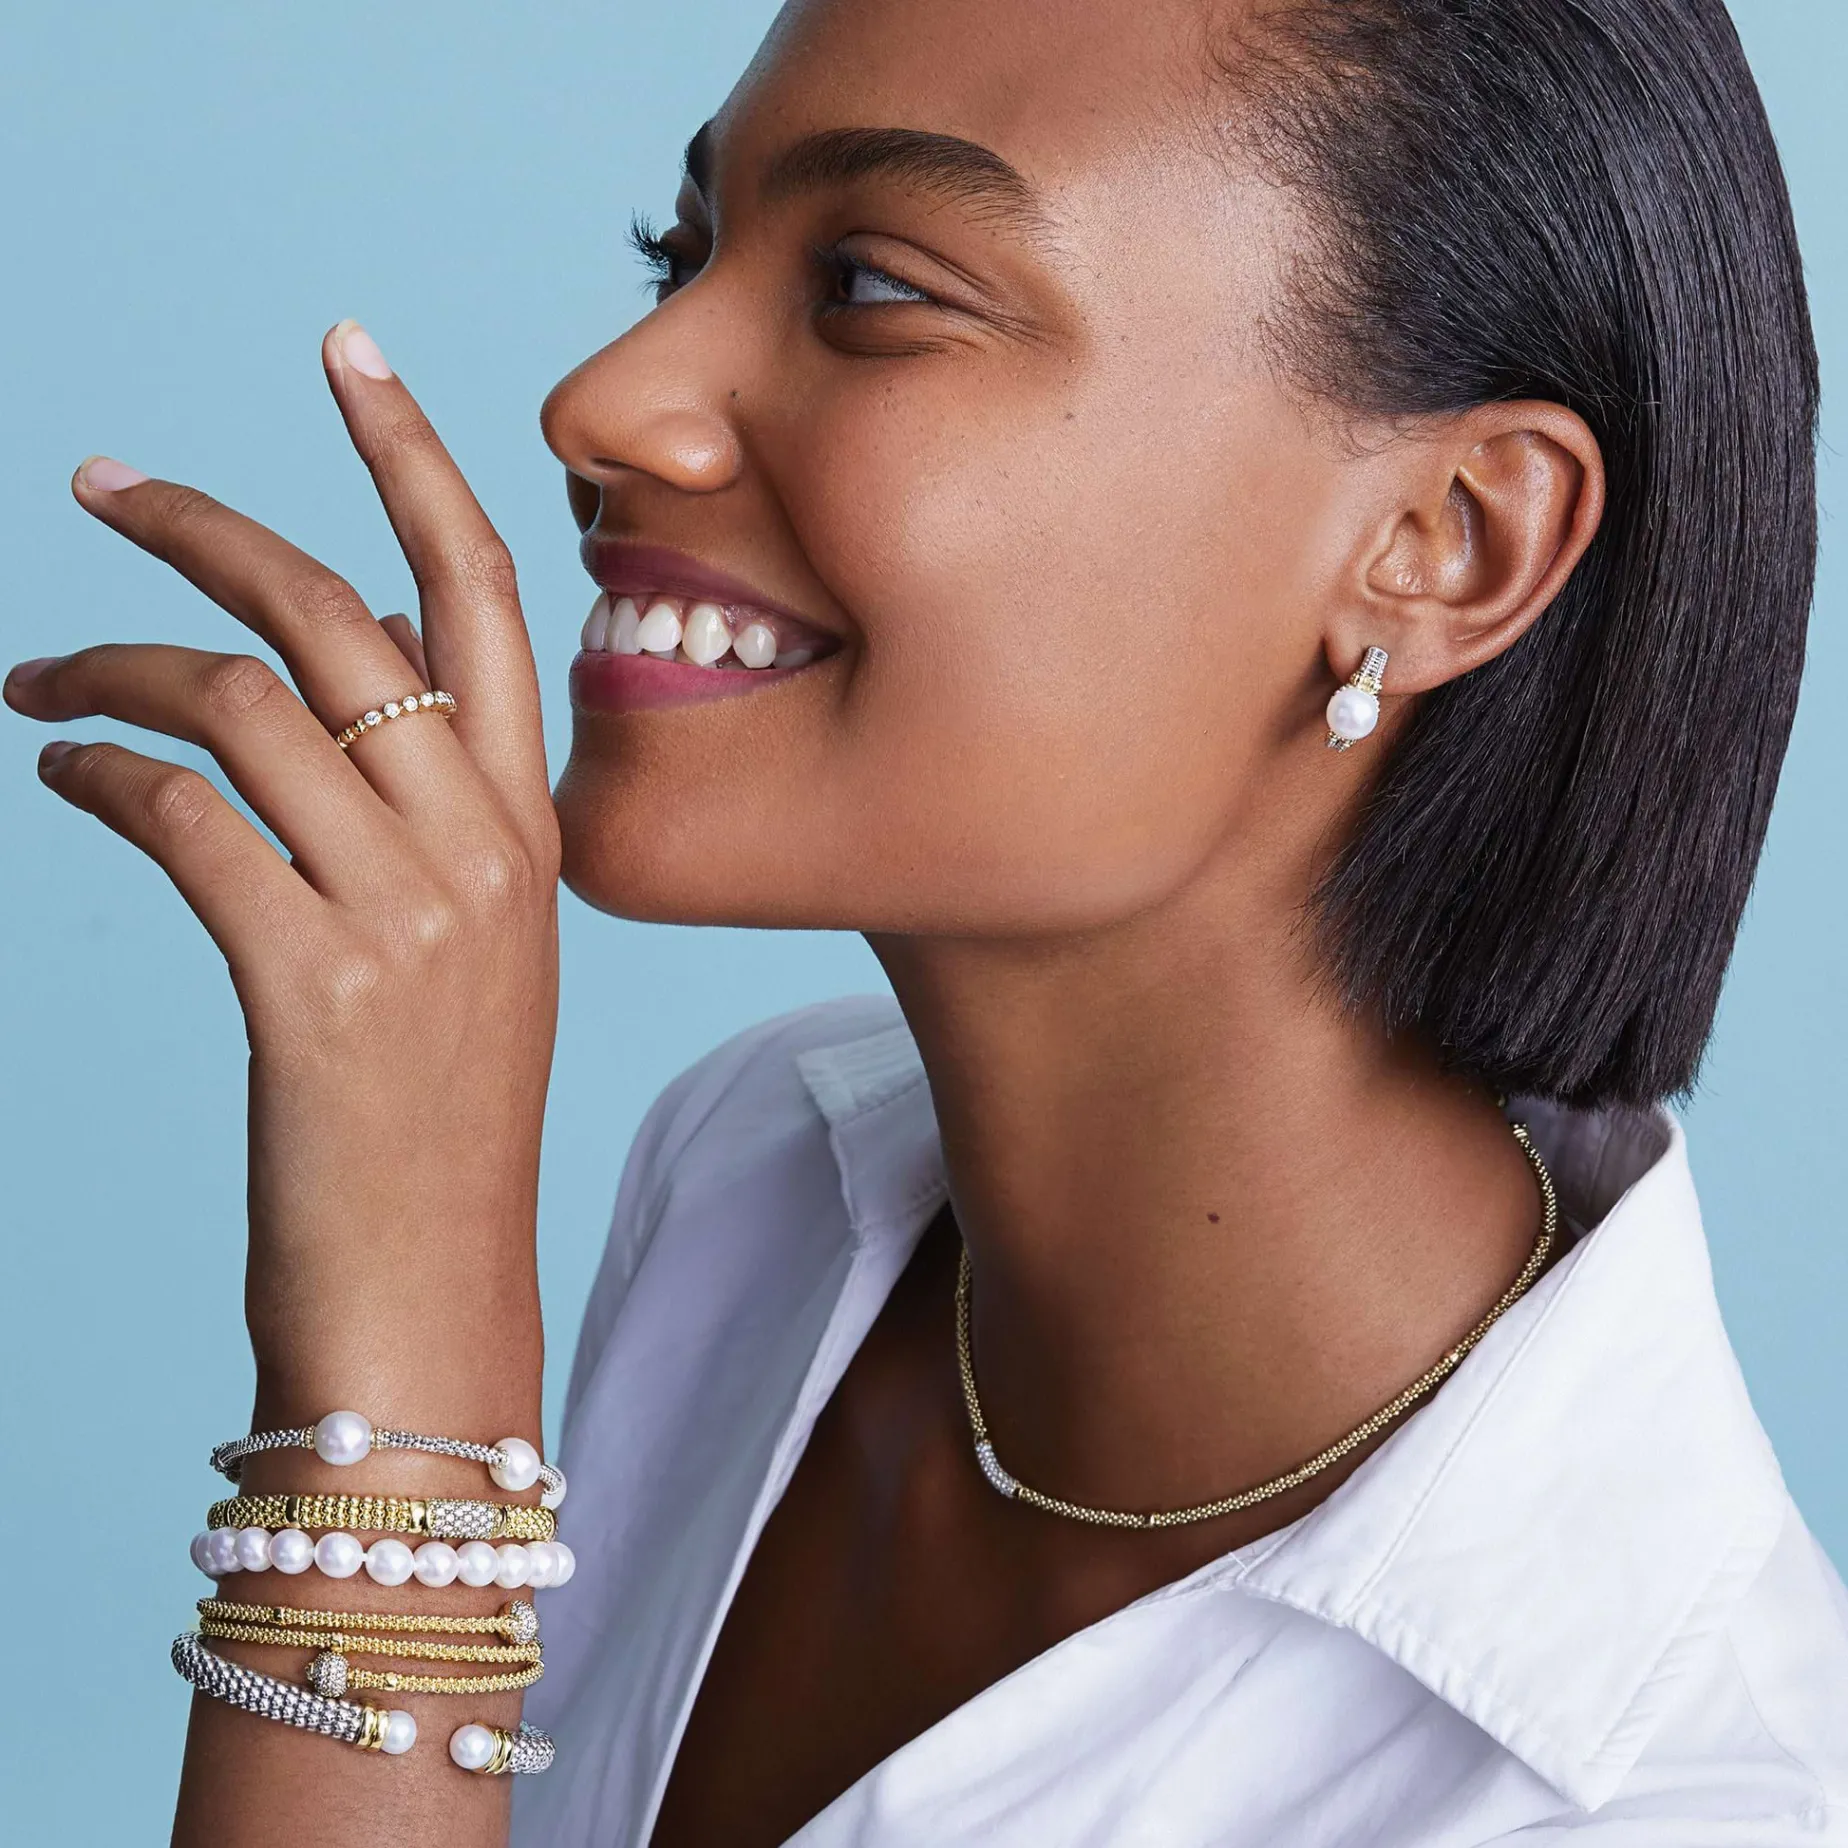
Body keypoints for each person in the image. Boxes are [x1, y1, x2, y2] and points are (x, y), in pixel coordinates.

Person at [9, 0, 1844, 1842]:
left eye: (876, 289)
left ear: (1448, 541)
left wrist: (402, 1406)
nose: (603, 400)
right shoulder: (757, 1175)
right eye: (683, 252)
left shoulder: (1664, 1807)